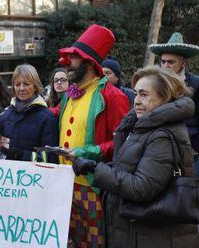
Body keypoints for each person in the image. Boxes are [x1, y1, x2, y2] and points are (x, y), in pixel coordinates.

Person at [73, 66, 199, 248]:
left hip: (153, 235)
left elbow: (141, 187)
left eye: (144, 94)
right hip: (139, 231)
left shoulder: (161, 134)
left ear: (164, 97)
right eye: (136, 94)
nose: (136, 101)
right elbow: (130, 167)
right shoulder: (143, 126)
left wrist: (95, 169)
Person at [55, 24, 130, 247]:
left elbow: (122, 142)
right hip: (66, 183)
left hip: (94, 186)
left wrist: (85, 152)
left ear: (88, 63)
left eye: (73, 58)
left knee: (96, 242)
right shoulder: (70, 93)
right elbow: (55, 116)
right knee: (75, 241)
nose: (65, 62)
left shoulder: (112, 96)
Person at [149, 32, 199, 177]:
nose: (165, 66)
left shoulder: (196, 84)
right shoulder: (154, 84)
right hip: (159, 152)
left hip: (190, 154)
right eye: (163, 61)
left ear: (182, 63)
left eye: (171, 62)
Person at [0, 64, 59, 162]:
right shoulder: (5, 116)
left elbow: (50, 158)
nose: (21, 88)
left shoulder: (48, 118)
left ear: (35, 87)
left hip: (34, 176)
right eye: (17, 84)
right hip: (9, 175)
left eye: (26, 84)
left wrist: (19, 154)